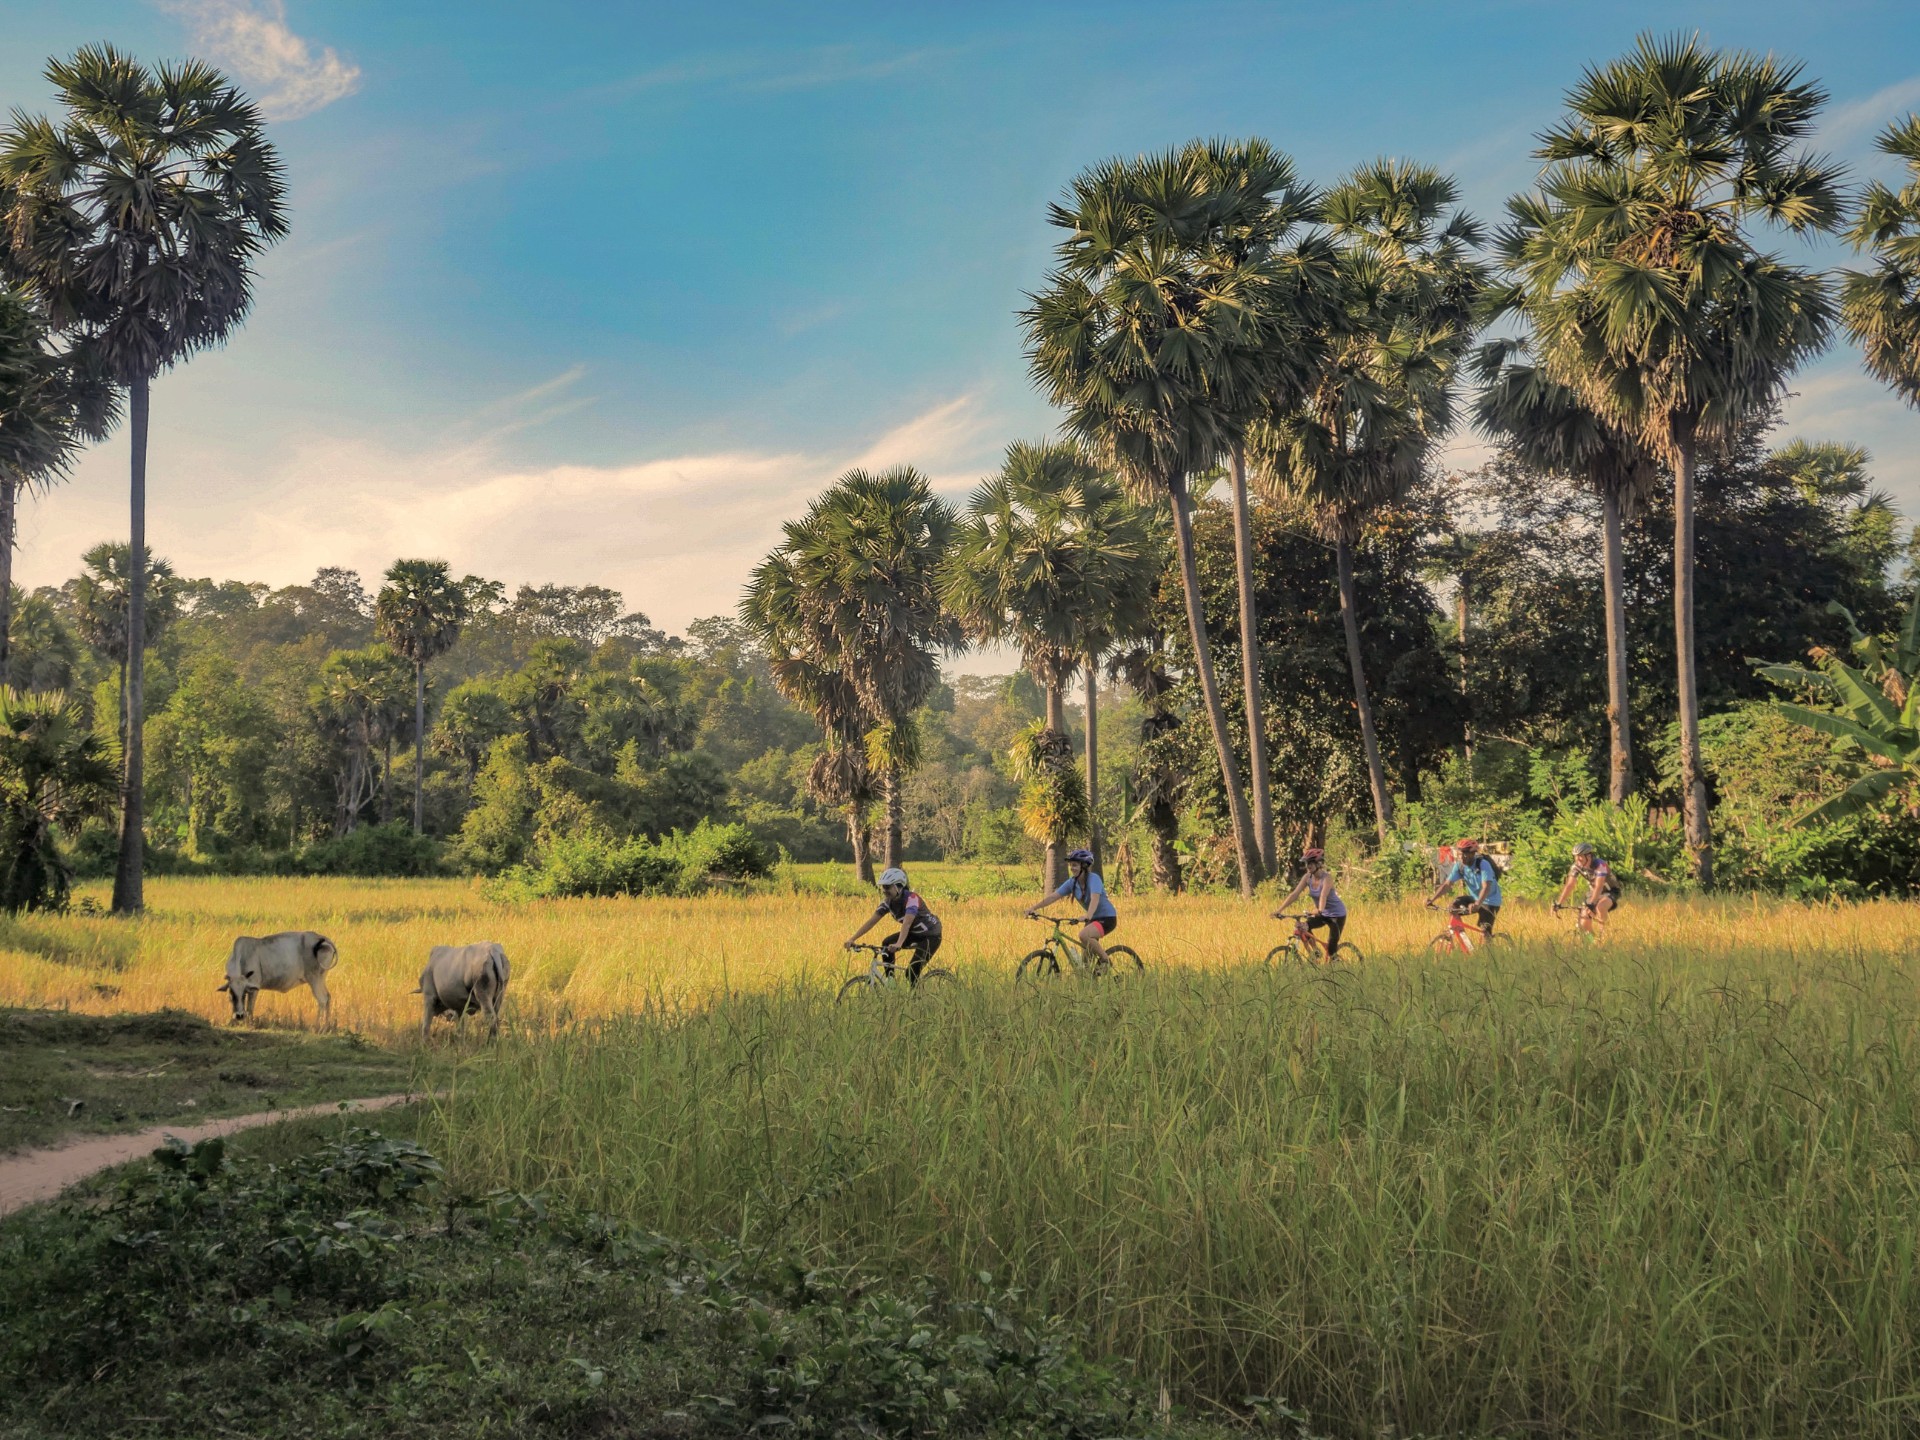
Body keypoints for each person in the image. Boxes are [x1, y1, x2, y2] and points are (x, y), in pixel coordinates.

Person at [1026, 848, 1117, 970]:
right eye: (1071, 865)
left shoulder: (1094, 878)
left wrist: (1088, 915)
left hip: (1107, 918)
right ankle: (1091, 982)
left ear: (1084, 866)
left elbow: (1095, 898)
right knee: (1085, 963)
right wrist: (1033, 908)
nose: (1072, 868)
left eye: (1075, 865)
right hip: (1092, 920)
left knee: (1084, 935)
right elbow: (1053, 897)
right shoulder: (1072, 883)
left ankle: (1106, 961)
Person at [844, 867, 942, 979]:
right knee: (886, 943)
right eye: (882, 887)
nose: (884, 890)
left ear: (899, 886)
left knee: (911, 972)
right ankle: (891, 983)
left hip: (931, 935)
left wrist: (899, 943)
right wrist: (852, 939)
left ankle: (915, 996)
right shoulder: (887, 902)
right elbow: (871, 922)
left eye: (887, 887)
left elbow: (907, 923)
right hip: (915, 933)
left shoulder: (912, 898)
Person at [1274, 847, 1347, 958]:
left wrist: (1319, 910)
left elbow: (1323, 895)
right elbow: (1294, 894)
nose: (1308, 866)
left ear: (1318, 864)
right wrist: (1279, 910)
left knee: (1332, 950)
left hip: (1336, 915)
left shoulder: (1327, 878)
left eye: (1311, 864)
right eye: (1307, 863)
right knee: (1304, 926)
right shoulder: (1307, 877)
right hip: (1321, 913)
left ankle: (1336, 964)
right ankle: (1316, 952)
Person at [1426, 837, 1502, 940]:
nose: (1462, 857)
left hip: (1491, 901)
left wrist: (1477, 904)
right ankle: (1462, 937)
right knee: (1453, 906)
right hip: (1475, 898)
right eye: (1460, 854)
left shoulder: (1483, 864)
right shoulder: (1460, 866)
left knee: (1485, 933)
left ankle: (1491, 953)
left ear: (1472, 854)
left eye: (1465, 854)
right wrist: (1432, 899)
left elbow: (1486, 887)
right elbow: (1447, 885)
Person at [1553, 842, 1622, 935]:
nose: (1577, 859)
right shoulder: (1576, 866)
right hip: (1594, 892)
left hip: (1610, 891)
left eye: (1580, 856)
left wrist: (1591, 904)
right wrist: (1558, 903)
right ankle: (1592, 942)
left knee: (1600, 907)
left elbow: (1599, 886)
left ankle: (1605, 936)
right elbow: (1569, 885)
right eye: (1575, 856)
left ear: (1588, 856)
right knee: (1583, 920)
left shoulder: (1600, 865)